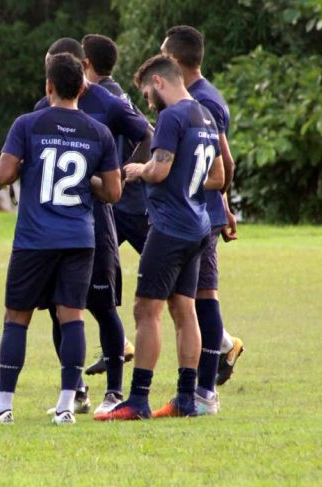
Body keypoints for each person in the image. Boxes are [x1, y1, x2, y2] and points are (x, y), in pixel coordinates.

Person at [0, 52, 122, 426]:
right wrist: (86, 176)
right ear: (84, 87)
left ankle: (3, 406)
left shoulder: (28, 123)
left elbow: (5, 174)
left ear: (49, 86)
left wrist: (32, 163)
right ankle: (64, 407)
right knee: (71, 315)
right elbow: (113, 192)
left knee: (17, 317)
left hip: (35, 238)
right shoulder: (98, 132)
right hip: (79, 238)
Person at [95, 54, 224, 421]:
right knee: (184, 310)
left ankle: (137, 400)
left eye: (148, 92)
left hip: (169, 227)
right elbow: (218, 176)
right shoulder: (206, 115)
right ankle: (186, 398)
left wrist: (138, 169)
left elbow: (159, 168)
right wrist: (187, 181)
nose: (148, 101)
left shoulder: (172, 117)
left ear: (159, 81)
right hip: (199, 225)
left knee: (145, 310)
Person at [35, 38, 152, 417]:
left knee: (103, 307)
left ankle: (115, 391)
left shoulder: (106, 103)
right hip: (54, 226)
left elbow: (147, 134)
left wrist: (121, 174)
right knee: (58, 308)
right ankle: (76, 389)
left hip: (97, 222)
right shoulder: (41, 110)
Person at [161, 25, 244, 413]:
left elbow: (222, 161)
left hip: (198, 214)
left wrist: (218, 203)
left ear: (176, 61)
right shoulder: (203, 96)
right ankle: (202, 389)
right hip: (205, 211)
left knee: (202, 301)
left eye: (164, 56)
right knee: (194, 300)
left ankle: (205, 391)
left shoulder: (200, 102)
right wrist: (225, 203)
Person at [81, 33, 152, 376]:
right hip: (119, 204)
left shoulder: (105, 95)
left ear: (86, 63)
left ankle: (223, 341)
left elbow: (147, 132)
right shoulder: (115, 89)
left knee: (172, 278)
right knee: (94, 278)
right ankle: (119, 342)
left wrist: (123, 176)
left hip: (127, 205)